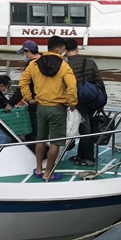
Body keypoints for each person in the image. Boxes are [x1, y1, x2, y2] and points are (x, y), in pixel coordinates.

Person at [19, 36, 77, 181]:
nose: (64, 52)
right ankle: (48, 173)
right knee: (56, 142)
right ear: (58, 49)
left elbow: (23, 82)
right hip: (57, 109)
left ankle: (39, 169)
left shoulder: (34, 64)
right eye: (63, 49)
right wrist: (72, 103)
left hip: (40, 107)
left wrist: (29, 98)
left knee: (40, 139)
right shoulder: (64, 66)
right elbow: (72, 87)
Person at [64, 38, 105, 166]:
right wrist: (101, 102)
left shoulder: (66, 66)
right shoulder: (90, 62)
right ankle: (81, 156)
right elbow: (99, 82)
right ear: (77, 49)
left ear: (65, 51)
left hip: (78, 102)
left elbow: (66, 87)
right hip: (93, 100)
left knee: (85, 129)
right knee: (87, 127)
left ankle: (89, 159)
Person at [5, 40, 41, 149]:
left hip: (35, 104)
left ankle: (33, 153)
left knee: (33, 133)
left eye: (24, 53)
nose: (24, 55)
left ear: (28, 52)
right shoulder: (45, 62)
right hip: (48, 102)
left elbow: (22, 87)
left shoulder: (30, 66)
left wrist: (11, 103)